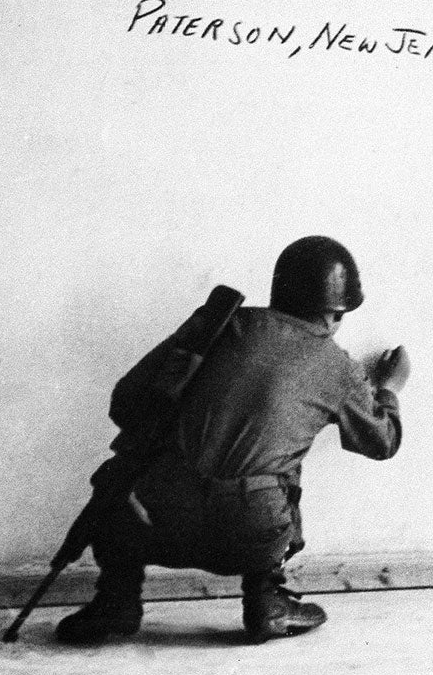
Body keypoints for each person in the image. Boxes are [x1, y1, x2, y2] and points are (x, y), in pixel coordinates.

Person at [55, 235, 410, 645]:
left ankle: (116, 600)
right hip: (250, 537)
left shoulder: (218, 327)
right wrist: (389, 389)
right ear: (335, 313)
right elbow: (383, 442)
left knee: (121, 476)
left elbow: (125, 401)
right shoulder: (337, 367)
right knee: (278, 464)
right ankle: (266, 601)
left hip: (155, 524)